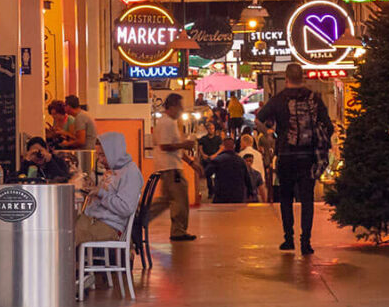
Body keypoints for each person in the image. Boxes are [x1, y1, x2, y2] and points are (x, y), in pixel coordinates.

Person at [256, 63, 332, 256]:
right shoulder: (314, 98)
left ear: (286, 78)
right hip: (308, 156)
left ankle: (288, 239)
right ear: (304, 77)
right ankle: (306, 242)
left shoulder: (278, 99)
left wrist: (272, 136)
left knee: (286, 198)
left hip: (286, 155)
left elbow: (258, 120)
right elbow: (328, 126)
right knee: (307, 200)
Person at [76, 135, 144, 247]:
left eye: (103, 155)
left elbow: (126, 207)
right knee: (63, 229)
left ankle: (62, 264)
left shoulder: (130, 173)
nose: (100, 160)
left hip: (109, 226)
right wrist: (94, 188)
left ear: (114, 152)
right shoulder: (114, 169)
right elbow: (108, 193)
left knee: (68, 237)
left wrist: (100, 193)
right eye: (98, 155)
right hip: (94, 219)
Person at [147, 93, 196, 241]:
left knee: (167, 199)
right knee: (179, 199)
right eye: (180, 107)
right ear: (173, 106)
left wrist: (190, 162)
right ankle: (178, 230)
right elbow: (165, 146)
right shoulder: (167, 123)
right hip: (171, 167)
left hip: (168, 167)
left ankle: (141, 217)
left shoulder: (167, 122)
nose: (181, 111)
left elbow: (173, 147)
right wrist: (184, 144)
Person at [205, 133, 256, 204]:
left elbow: (207, 172)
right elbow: (247, 178)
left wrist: (212, 189)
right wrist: (250, 192)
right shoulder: (240, 160)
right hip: (238, 195)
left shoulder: (218, 160)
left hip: (221, 194)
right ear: (234, 146)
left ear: (223, 146)